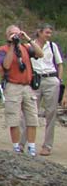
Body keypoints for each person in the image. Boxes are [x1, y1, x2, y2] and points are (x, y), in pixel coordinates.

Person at [0, 24, 43, 155]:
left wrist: (28, 39)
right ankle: (16, 146)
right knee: (14, 118)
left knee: (32, 117)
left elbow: (40, 53)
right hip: (13, 86)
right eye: (12, 33)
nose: (16, 35)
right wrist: (12, 45)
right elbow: (6, 65)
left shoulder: (26, 48)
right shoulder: (3, 49)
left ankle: (32, 146)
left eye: (17, 33)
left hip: (27, 86)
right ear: (7, 35)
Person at [29, 24, 63, 155]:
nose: (49, 35)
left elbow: (60, 64)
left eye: (50, 33)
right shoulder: (30, 46)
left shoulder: (53, 46)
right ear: (40, 32)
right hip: (36, 79)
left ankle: (47, 145)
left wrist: (59, 81)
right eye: (47, 32)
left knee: (51, 113)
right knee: (30, 111)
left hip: (51, 78)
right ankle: (23, 142)